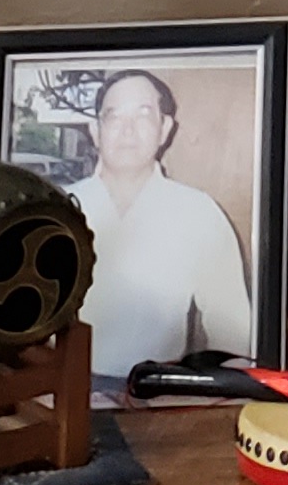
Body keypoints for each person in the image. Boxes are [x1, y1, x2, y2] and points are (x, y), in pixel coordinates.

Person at [65, 67, 254, 387]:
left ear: (165, 128)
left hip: (161, 391)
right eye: (114, 116)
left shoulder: (199, 213)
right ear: (95, 130)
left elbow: (232, 332)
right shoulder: (59, 207)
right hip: (63, 390)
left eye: (143, 115)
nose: (128, 130)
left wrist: (219, 395)